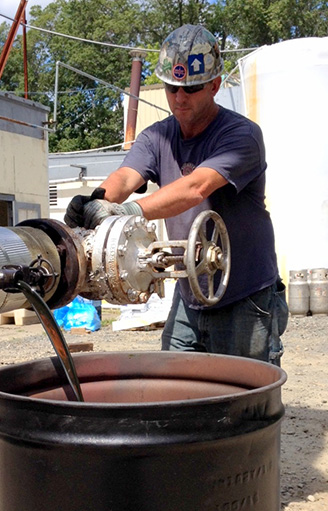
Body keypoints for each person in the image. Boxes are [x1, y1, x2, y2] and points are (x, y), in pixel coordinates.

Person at [67, 24, 284, 364]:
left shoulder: (242, 136)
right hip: (191, 293)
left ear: (214, 85)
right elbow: (126, 176)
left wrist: (127, 213)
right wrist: (98, 200)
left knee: (246, 400)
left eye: (192, 89)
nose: (180, 99)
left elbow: (196, 187)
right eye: (172, 88)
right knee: (176, 387)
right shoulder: (158, 138)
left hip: (244, 294)